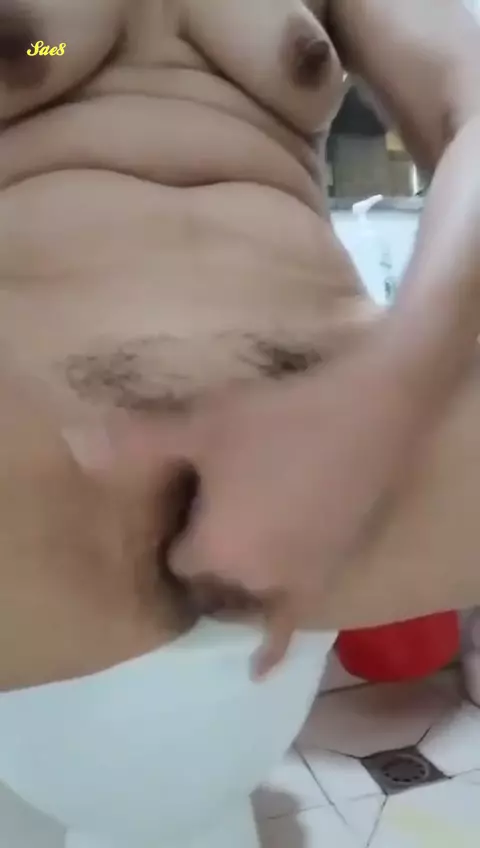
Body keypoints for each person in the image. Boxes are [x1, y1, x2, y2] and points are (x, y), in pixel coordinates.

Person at [1, 0, 480, 692]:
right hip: (45, 440)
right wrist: (32, 49)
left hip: (352, 432)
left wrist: (388, 397)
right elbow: (34, 49)